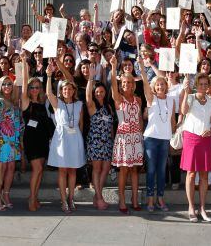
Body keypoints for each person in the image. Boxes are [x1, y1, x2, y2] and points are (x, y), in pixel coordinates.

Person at [45, 61, 86, 213]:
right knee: (62, 170)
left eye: (70, 88)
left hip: (75, 137)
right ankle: (63, 201)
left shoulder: (79, 104)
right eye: (64, 89)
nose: (67, 91)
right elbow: (48, 93)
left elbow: (81, 124)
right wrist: (49, 75)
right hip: (61, 138)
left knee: (73, 170)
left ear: (73, 90)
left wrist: (79, 140)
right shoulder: (58, 103)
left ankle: (71, 198)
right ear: (61, 91)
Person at [180, 73, 211, 222]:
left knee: (203, 175)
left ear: (208, 86)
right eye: (200, 84)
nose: (203, 87)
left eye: (205, 84)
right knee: (191, 174)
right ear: (197, 85)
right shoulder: (190, 97)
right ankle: (191, 207)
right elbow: (183, 111)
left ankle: (202, 208)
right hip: (191, 138)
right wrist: (186, 93)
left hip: (205, 139)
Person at [109, 55, 144, 213]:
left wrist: (141, 136)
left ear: (133, 84)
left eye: (129, 82)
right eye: (124, 82)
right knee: (124, 170)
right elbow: (113, 88)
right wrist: (113, 67)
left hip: (136, 137)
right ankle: (122, 199)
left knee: (135, 169)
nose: (127, 84)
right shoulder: (118, 98)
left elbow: (139, 119)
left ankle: (135, 199)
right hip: (123, 138)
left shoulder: (138, 100)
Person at [20, 57, 55, 211]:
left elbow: (49, 91)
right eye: (32, 87)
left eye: (37, 87)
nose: (34, 90)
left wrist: (48, 75)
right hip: (31, 139)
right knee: (37, 169)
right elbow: (24, 85)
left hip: (42, 138)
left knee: (40, 167)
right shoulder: (26, 101)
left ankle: (34, 196)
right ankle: (31, 199)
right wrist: (25, 66)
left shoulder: (42, 103)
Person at [140, 61, 175, 213]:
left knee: (161, 170)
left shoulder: (171, 100)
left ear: (166, 86)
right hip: (151, 139)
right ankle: (150, 199)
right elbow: (145, 82)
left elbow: (173, 121)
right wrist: (142, 67)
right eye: (157, 85)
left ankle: (160, 198)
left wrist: (172, 137)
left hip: (165, 139)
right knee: (151, 170)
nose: (160, 86)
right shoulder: (151, 98)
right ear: (154, 87)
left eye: (162, 84)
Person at [0, 76, 23, 211]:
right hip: (2, 141)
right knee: (1, 169)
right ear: (0, 87)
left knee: (11, 168)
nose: (7, 86)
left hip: (13, 141)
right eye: (4, 84)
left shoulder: (15, 103)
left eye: (9, 84)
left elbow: (18, 124)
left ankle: (6, 195)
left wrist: (19, 141)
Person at [85, 64, 115, 210]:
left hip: (107, 141)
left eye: (102, 91)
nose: (99, 94)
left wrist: (112, 140)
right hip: (95, 141)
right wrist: (91, 78)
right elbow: (87, 96)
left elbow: (111, 126)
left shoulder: (108, 107)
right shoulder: (92, 106)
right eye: (97, 91)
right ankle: (99, 198)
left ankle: (97, 196)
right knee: (96, 169)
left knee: (106, 168)